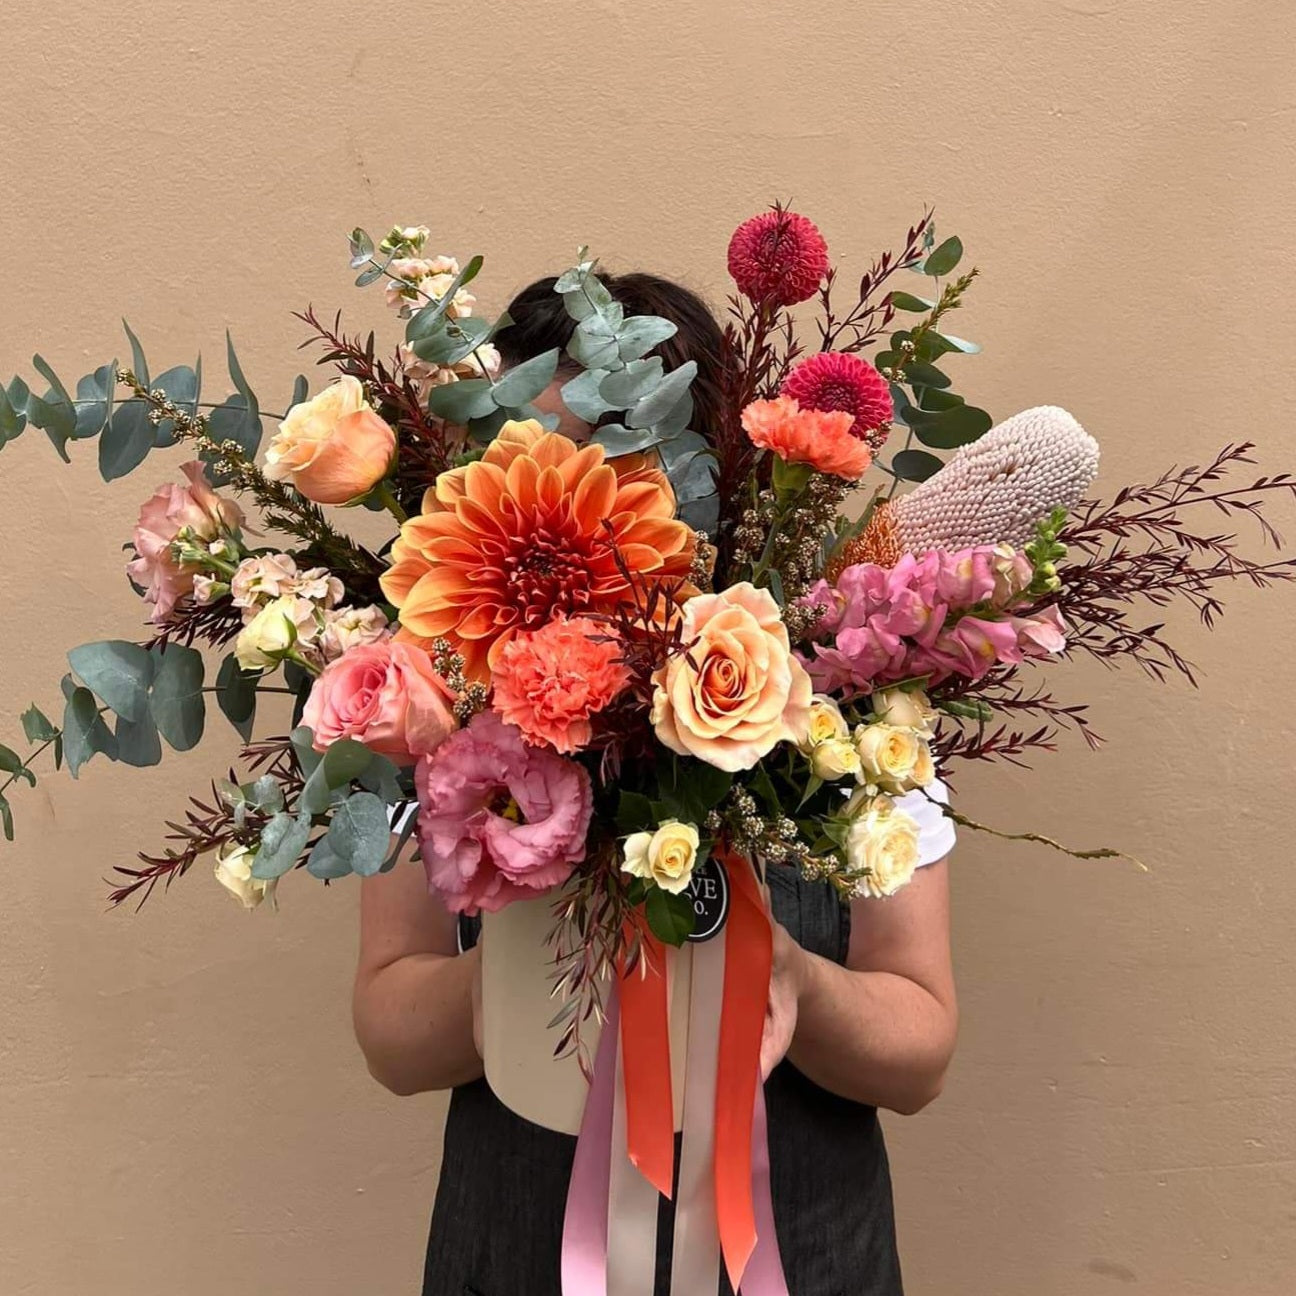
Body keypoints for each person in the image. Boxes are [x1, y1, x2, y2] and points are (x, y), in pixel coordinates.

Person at [352, 272, 959, 1296]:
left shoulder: (846, 709)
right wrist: (517, 962)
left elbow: (921, 1053)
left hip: (803, 1259)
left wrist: (792, 986)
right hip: (518, 1256)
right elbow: (393, 1040)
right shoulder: (421, 706)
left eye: (634, 462)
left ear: (721, 472)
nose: (587, 504)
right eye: (542, 455)